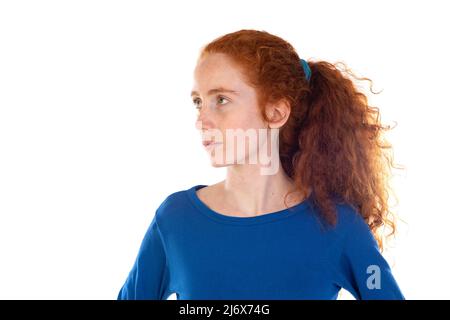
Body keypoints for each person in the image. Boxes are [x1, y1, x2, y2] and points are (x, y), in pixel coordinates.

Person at [117, 29, 405, 300]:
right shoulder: (175, 220)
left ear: (276, 112)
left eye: (221, 99)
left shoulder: (338, 225)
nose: (201, 120)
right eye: (197, 102)